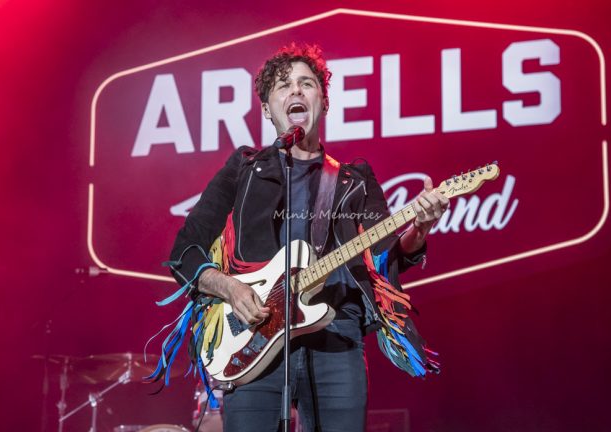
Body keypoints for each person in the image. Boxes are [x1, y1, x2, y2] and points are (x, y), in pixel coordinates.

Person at [160, 43, 448, 432]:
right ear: (266, 108)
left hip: (335, 337)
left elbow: (386, 258)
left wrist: (420, 227)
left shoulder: (353, 180)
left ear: (323, 102)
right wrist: (229, 289)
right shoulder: (244, 170)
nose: (295, 91)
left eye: (306, 83)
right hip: (253, 336)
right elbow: (185, 252)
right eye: (283, 86)